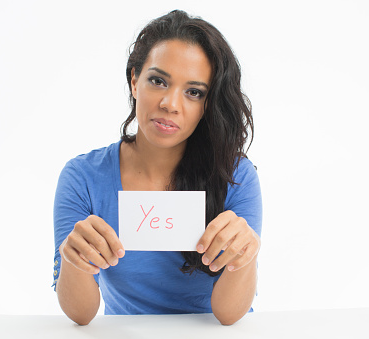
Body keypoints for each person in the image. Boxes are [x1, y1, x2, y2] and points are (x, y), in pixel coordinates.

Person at [52, 9, 262, 326]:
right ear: (135, 81)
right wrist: (74, 256)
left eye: (194, 92)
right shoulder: (83, 177)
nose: (170, 104)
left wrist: (245, 256)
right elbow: (80, 314)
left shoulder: (235, 176)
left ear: (209, 103)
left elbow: (229, 314)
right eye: (158, 81)